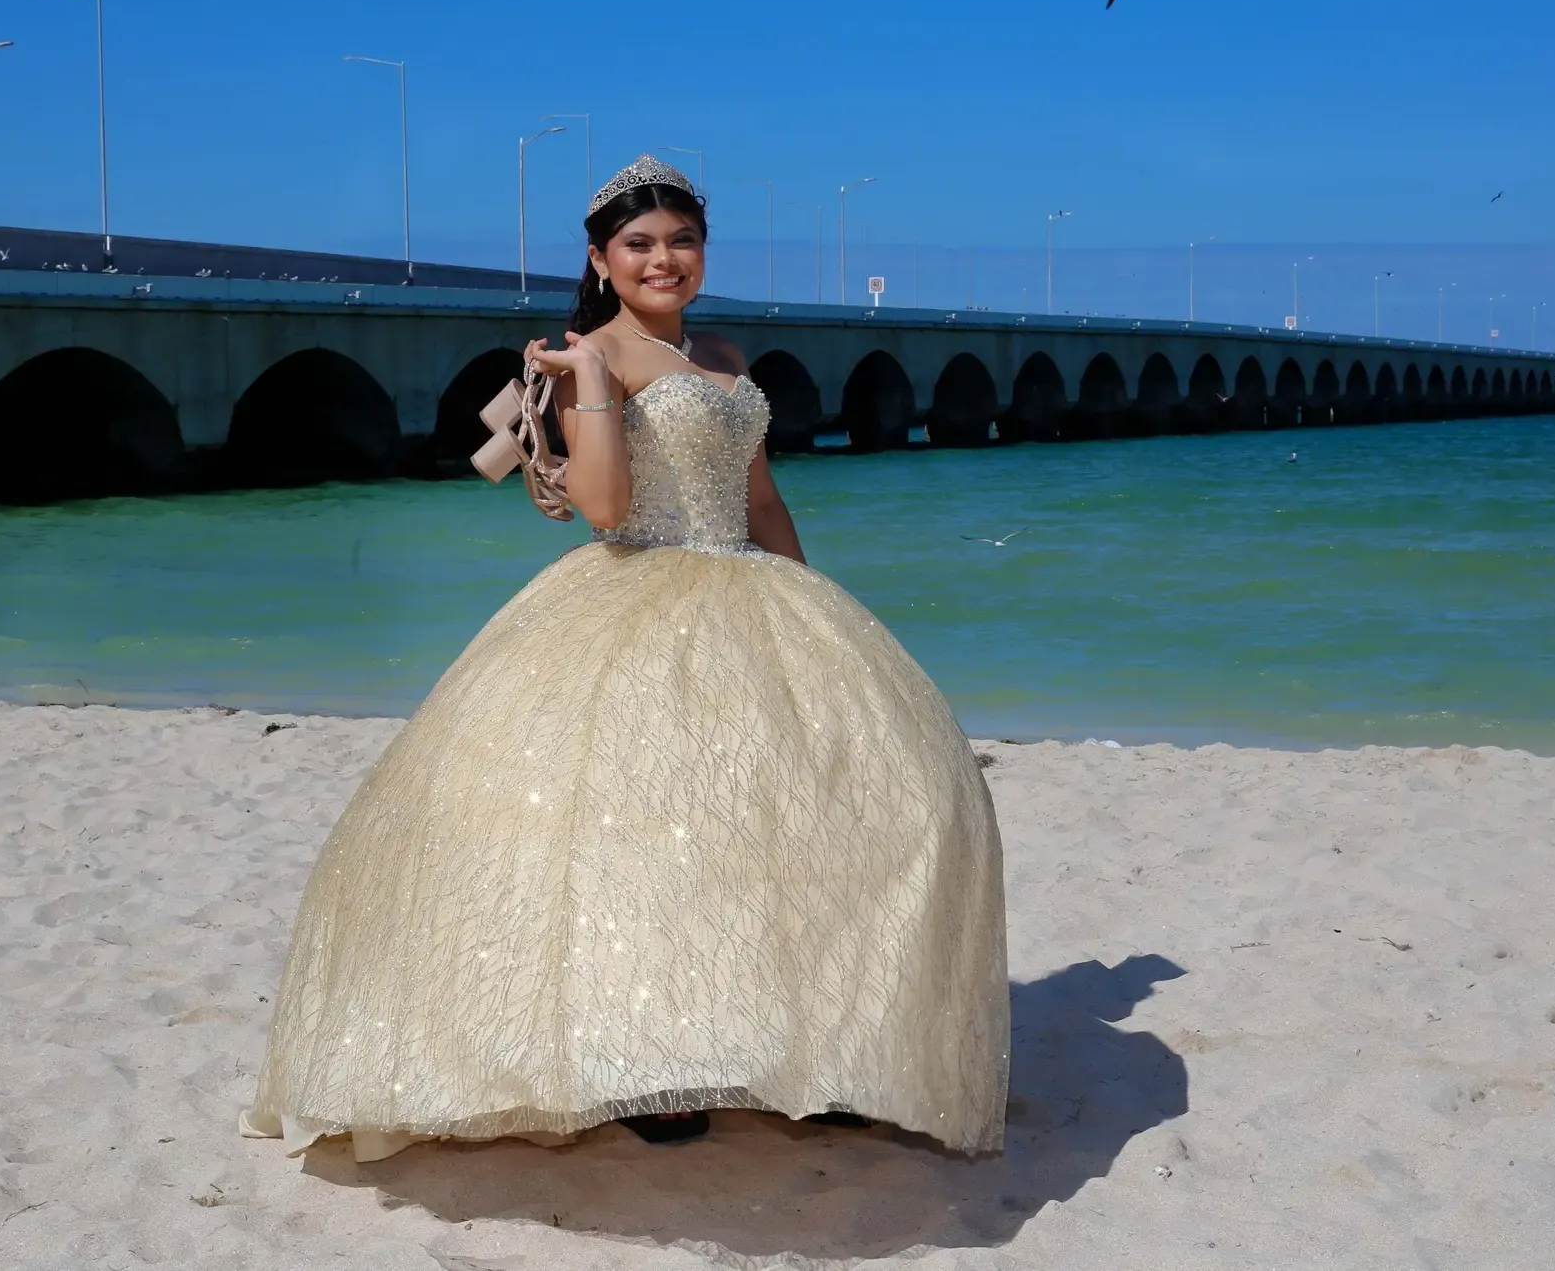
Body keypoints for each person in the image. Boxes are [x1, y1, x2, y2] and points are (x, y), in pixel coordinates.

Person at [244, 155, 1008, 1160]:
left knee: (823, 808)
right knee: (643, 827)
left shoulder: (726, 356)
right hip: (630, 597)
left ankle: (823, 1049)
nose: (664, 259)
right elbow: (601, 510)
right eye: (639, 245)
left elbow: (762, 497)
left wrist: (820, 617)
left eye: (681, 240)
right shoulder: (580, 359)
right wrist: (593, 381)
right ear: (601, 261)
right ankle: (646, 1067)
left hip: (750, 593)